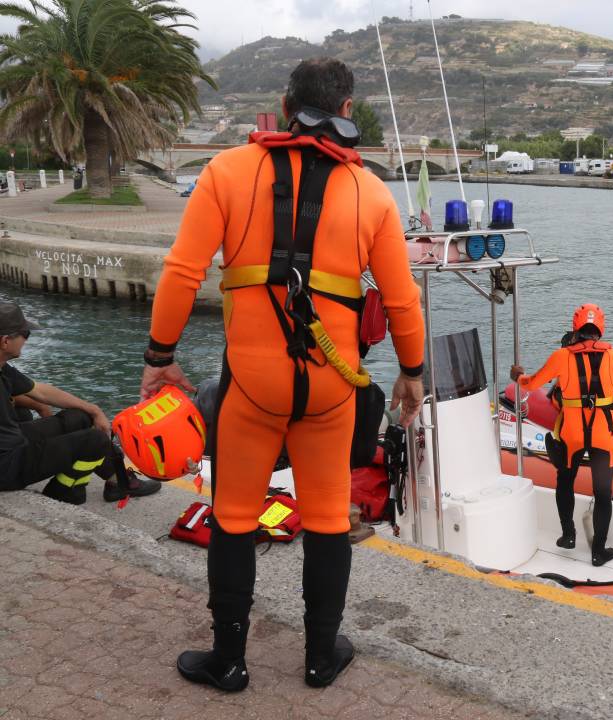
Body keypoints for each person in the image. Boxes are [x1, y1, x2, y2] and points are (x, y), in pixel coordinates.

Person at [140, 57, 425, 693]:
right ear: (347, 111)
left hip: (251, 385)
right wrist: (412, 371)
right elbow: (403, 300)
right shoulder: (372, 191)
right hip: (330, 387)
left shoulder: (226, 171)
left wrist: (160, 359)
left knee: (235, 516)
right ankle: (322, 657)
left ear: (285, 103)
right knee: (326, 516)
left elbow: (183, 272)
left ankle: (229, 660)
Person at [510, 304, 613, 567]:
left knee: (565, 480)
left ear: (575, 327)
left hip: (572, 431)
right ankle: (599, 551)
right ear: (600, 329)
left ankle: (568, 536)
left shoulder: (562, 356)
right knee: (603, 492)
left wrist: (518, 376)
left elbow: (533, 383)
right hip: (604, 432)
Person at [0, 302, 160, 504]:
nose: (26, 340)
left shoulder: (3, 368)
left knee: (81, 417)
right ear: (6, 341)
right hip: (7, 465)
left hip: (14, 441)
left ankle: (118, 481)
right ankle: (63, 491)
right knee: (94, 440)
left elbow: (41, 391)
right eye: (25, 334)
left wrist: (93, 409)